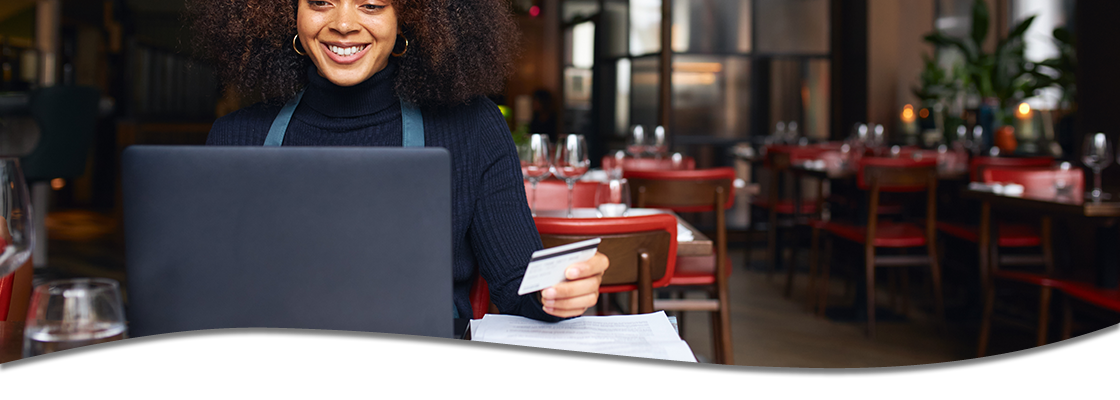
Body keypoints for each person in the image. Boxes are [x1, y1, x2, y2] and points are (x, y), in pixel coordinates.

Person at [188, 0, 608, 321]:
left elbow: (518, 285)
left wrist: (560, 292)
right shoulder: (236, 136)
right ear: (287, 13)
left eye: (372, 4)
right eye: (319, 2)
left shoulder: (473, 129)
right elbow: (203, 295)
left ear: (410, 15)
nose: (344, 23)